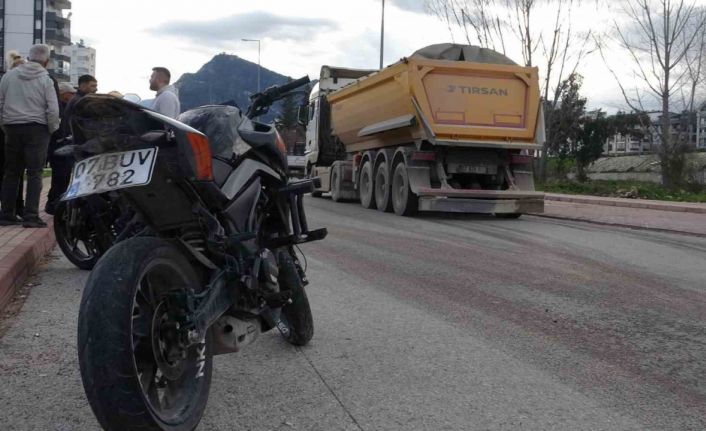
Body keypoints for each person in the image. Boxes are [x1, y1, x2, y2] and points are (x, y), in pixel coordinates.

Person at [0, 44, 60, 227]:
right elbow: (53, 109)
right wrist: (52, 129)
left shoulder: (9, 76)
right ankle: (31, 216)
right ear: (46, 61)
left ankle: (6, 214)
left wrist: (5, 125)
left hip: (12, 127)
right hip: (37, 128)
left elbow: (0, 103)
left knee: (11, 172)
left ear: (28, 57)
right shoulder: (46, 80)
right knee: (35, 173)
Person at [0, 50, 27, 217]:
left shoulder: (7, 82)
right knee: (13, 172)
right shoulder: (8, 83)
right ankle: (13, 207)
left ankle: (14, 206)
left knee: (13, 172)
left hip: (8, 131)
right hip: (9, 132)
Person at [45, 82, 76, 215]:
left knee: (64, 177)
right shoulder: (58, 107)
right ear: (63, 94)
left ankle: (57, 203)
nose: (73, 96)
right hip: (57, 147)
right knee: (59, 177)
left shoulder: (67, 108)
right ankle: (53, 203)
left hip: (65, 146)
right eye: (71, 93)